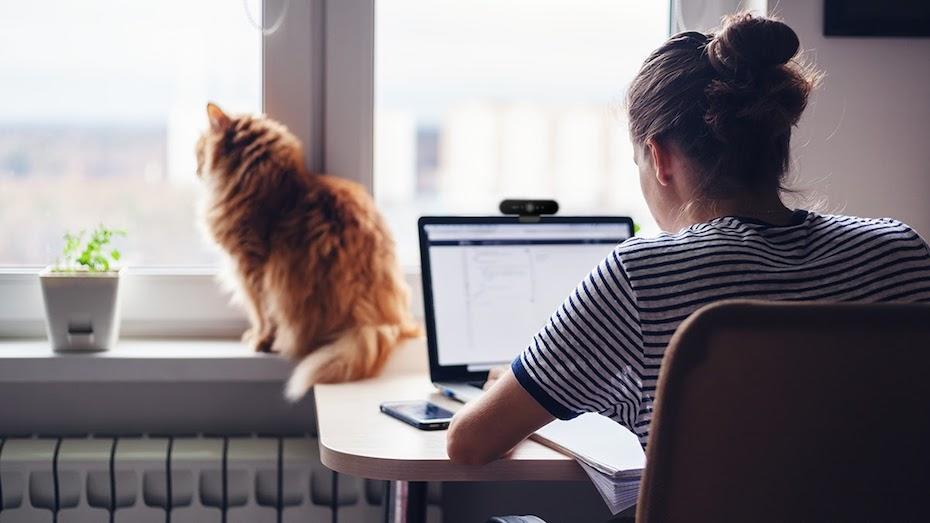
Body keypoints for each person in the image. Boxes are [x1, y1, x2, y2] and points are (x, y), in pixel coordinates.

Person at [446, 13, 930, 468]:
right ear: (777, 143)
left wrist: (514, 391)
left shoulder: (642, 276)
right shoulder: (898, 252)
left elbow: (470, 443)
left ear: (659, 157)